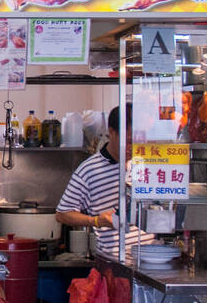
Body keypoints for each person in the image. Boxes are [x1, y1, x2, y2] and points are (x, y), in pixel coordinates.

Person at [55, 106, 154, 257]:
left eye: (138, 141)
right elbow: (62, 214)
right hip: (115, 260)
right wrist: (96, 221)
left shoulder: (145, 162)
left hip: (153, 255)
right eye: (128, 141)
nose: (133, 148)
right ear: (112, 132)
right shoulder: (89, 170)